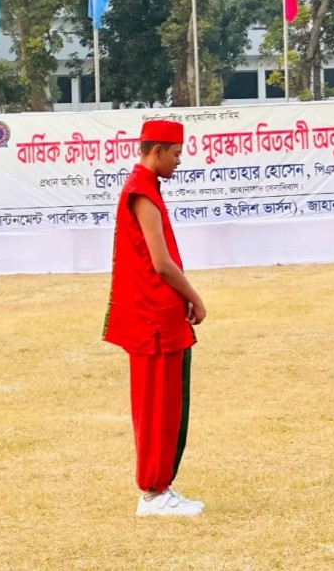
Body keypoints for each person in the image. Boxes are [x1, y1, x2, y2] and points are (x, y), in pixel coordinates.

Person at [102, 119, 208, 517]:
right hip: (153, 319)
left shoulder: (146, 187)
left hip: (160, 315)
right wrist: (195, 297)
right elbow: (160, 263)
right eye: (176, 154)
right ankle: (152, 492)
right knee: (156, 407)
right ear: (157, 150)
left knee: (165, 406)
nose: (179, 161)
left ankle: (160, 487)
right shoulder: (141, 192)